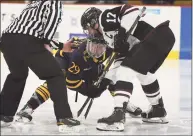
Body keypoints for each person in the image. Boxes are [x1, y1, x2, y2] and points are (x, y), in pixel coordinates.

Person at [80, 5, 175, 131]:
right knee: (143, 73)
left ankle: (118, 117)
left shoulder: (104, 19)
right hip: (164, 37)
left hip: (155, 34)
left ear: (93, 22)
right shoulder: (110, 39)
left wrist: (122, 32)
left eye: (88, 28)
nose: (89, 32)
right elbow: (121, 60)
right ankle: (158, 109)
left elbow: (130, 9)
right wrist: (105, 82)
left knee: (124, 73)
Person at [15, 37, 142, 122]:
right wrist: (88, 90)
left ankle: (122, 103)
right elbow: (72, 83)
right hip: (65, 61)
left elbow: (122, 51)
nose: (96, 51)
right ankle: (28, 108)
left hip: (89, 65)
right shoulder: (77, 55)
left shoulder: (109, 48)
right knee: (55, 82)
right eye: (93, 47)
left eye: (100, 48)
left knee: (109, 77)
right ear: (87, 45)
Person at [0, 0, 80, 132]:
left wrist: (60, 46)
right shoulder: (54, 1)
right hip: (27, 42)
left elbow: (34, 31)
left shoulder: (34, 3)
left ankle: (4, 115)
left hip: (7, 40)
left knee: (17, 75)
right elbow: (51, 21)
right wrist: (46, 41)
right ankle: (64, 118)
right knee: (55, 75)